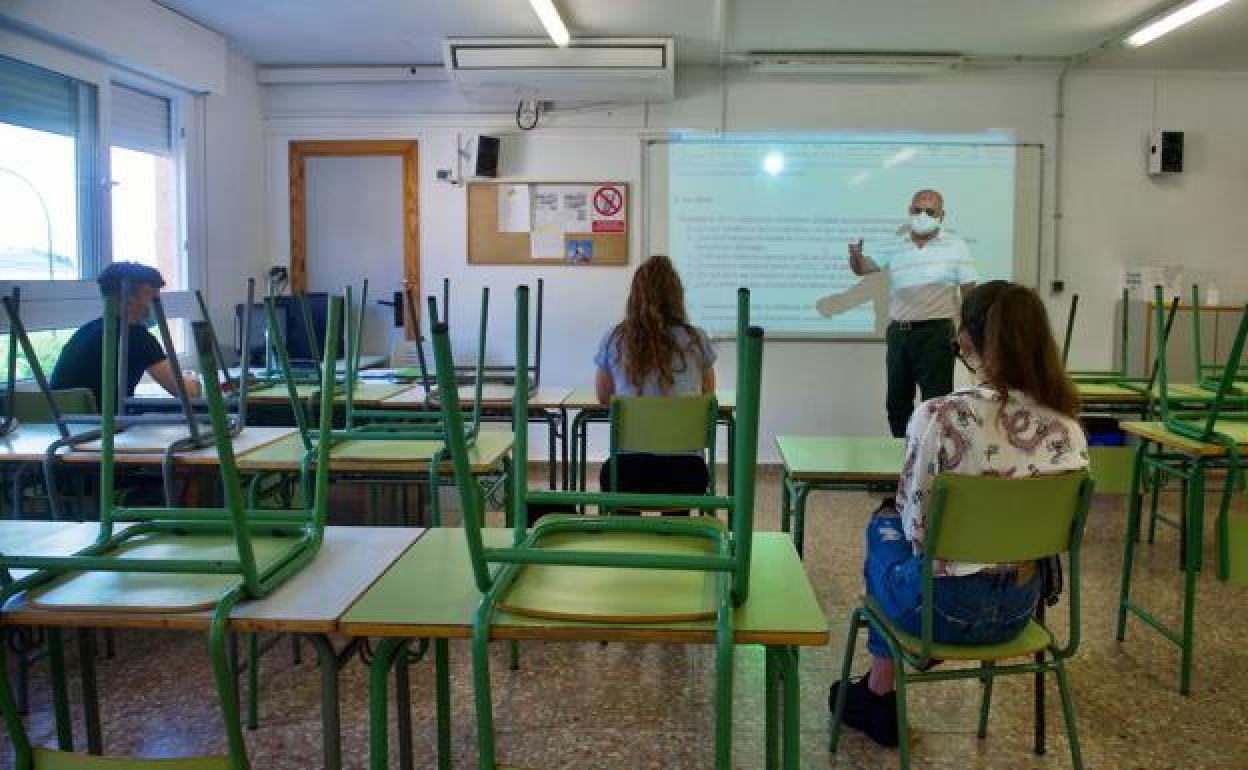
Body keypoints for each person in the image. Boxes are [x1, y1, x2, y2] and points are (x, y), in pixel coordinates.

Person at [828, 281, 1089, 747]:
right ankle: (875, 693)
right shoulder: (1068, 429)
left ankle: (879, 694)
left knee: (884, 526)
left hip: (935, 613)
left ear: (966, 341)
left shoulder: (939, 417)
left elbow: (916, 528)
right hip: (1020, 613)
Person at [849, 189, 977, 437]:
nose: (922, 215)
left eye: (930, 211)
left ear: (942, 215)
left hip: (936, 333)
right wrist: (855, 256)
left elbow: (969, 291)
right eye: (917, 209)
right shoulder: (896, 244)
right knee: (897, 404)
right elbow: (864, 268)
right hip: (899, 333)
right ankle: (901, 460)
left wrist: (967, 331)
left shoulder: (956, 246)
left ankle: (931, 461)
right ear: (909, 211)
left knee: (936, 405)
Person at [593, 254, 716, 509]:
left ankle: (627, 539)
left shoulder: (614, 339)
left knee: (616, 479)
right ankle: (678, 536)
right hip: (686, 475)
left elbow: (604, 397)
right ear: (677, 296)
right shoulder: (697, 340)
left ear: (635, 295)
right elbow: (707, 394)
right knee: (682, 489)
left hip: (626, 475)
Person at [51, 262, 202, 407]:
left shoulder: (87, 331)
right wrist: (193, 378)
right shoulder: (137, 337)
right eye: (152, 296)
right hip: (106, 425)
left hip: (66, 426)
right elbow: (187, 393)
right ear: (129, 299)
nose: (156, 303)